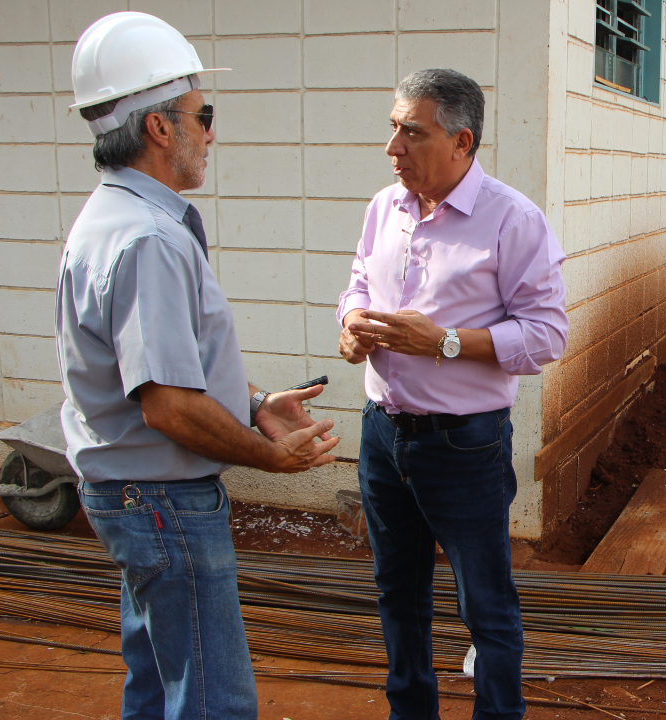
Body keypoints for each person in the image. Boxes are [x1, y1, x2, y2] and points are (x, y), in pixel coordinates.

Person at [57, 13, 339, 719]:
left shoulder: (112, 217)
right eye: (200, 115)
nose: (210, 132)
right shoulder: (149, 237)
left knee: (159, 685)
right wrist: (267, 457)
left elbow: (172, 373)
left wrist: (253, 402)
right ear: (158, 128)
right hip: (163, 506)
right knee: (214, 700)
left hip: (135, 502)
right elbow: (169, 407)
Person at [336, 68, 568, 720]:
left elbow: (547, 334)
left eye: (413, 133)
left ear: (462, 142)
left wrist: (443, 342)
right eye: (393, 129)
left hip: (463, 444)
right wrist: (351, 327)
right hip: (383, 433)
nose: (394, 148)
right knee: (397, 594)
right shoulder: (385, 208)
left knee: (484, 605)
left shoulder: (512, 221)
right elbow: (359, 281)